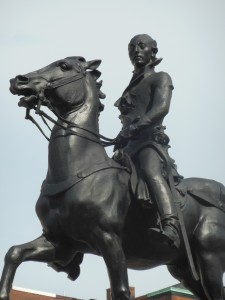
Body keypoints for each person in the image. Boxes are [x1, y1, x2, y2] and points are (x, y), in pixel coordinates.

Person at [114, 34, 180, 249]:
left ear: (153, 51)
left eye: (142, 46)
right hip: (128, 146)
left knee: (151, 172)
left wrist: (133, 128)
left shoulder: (161, 77)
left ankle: (170, 225)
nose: (136, 50)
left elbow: (161, 108)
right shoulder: (131, 86)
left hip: (150, 142)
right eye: (131, 47)